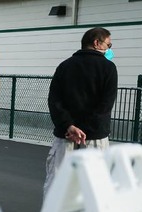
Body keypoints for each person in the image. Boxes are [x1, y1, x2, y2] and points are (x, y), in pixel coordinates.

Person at [44, 27, 118, 197]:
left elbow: (54, 101)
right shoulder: (108, 68)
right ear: (96, 43)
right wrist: (84, 129)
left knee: (57, 187)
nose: (109, 49)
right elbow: (105, 105)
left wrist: (69, 126)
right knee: (96, 189)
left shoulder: (64, 66)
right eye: (109, 44)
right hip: (95, 138)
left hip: (66, 137)